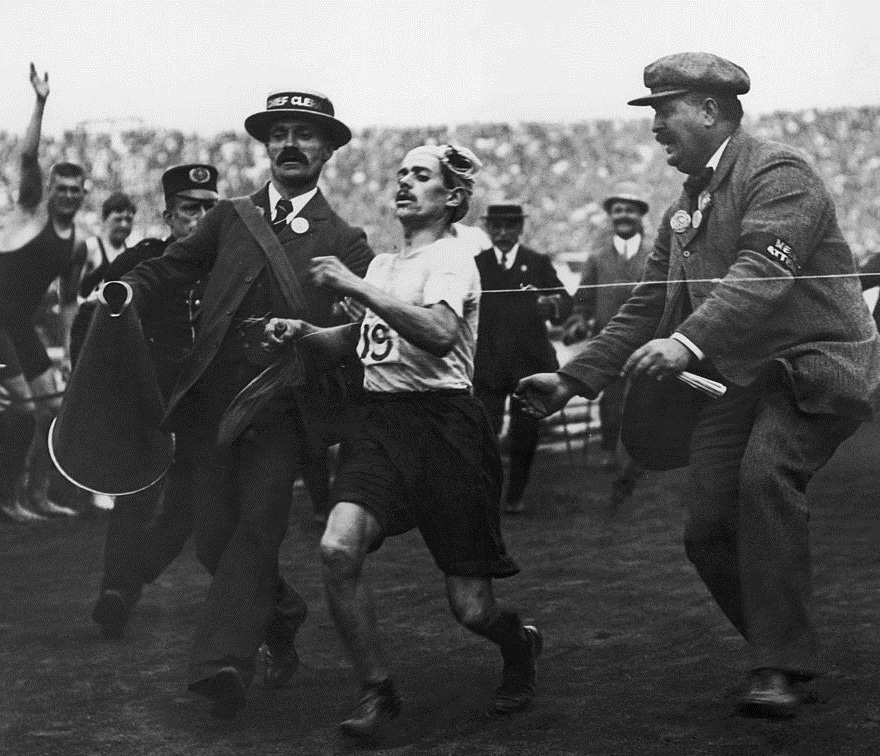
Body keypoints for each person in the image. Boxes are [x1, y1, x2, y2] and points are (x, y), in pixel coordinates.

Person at [516, 52, 880, 719]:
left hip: (814, 368)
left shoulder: (779, 171)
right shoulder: (682, 210)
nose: (654, 127)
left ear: (710, 110)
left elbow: (758, 278)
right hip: (738, 377)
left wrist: (683, 342)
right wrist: (571, 379)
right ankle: (786, 657)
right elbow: (640, 307)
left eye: (664, 110)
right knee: (706, 531)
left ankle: (780, 665)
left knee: (763, 477)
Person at [265, 144, 541, 743]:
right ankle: (377, 689)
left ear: (453, 198)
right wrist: (305, 334)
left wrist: (354, 289)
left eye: (421, 176)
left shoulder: (452, 258)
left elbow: (440, 333)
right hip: (383, 427)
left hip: (447, 430)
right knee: (338, 549)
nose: (405, 184)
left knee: (470, 608)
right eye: (401, 175)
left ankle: (517, 644)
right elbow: (362, 340)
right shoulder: (385, 267)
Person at [119, 88, 372, 719]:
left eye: (305, 134)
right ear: (265, 146)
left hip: (282, 409)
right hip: (211, 404)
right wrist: (124, 286)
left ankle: (222, 664)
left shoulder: (348, 240)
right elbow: (171, 269)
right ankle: (282, 613)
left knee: (258, 529)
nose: (289, 144)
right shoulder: (230, 217)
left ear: (328, 150)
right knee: (210, 539)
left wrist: (341, 319)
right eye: (278, 132)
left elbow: (368, 328)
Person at [82, 164, 219, 638]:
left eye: (209, 207)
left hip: (207, 399)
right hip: (153, 395)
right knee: (134, 492)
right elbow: (94, 299)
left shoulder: (231, 264)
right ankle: (116, 591)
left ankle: (134, 576)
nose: (200, 217)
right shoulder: (149, 257)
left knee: (185, 507)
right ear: (168, 214)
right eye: (189, 208)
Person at [0, 64, 86, 520]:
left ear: (84, 194)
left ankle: (37, 494)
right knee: (21, 411)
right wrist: (40, 102)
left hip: (20, 325)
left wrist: (69, 353)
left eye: (76, 189)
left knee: (51, 408)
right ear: (50, 190)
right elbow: (28, 157)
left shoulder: (78, 244)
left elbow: (70, 306)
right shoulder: (31, 209)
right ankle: (8, 498)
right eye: (62, 188)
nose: (68, 195)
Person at [474, 203, 572, 513]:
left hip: (528, 362)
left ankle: (515, 496)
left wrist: (551, 306)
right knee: (485, 431)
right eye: (497, 227)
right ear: (488, 229)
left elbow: (564, 302)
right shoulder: (477, 264)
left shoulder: (537, 262)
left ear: (520, 229)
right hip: (489, 363)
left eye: (510, 226)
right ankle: (487, 494)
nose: (503, 233)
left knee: (525, 433)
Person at [561, 184, 652, 473]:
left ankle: (642, 456)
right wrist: (579, 322)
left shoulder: (656, 255)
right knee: (611, 402)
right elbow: (583, 303)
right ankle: (608, 449)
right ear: (611, 216)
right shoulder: (598, 258)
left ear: (640, 215)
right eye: (617, 210)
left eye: (629, 210)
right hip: (609, 341)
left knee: (645, 400)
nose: (623, 215)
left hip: (648, 340)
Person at [78, 191, 137, 299]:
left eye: (128, 220)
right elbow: (69, 295)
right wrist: (86, 302)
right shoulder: (91, 247)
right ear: (105, 219)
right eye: (118, 219)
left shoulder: (131, 253)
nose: (124, 225)